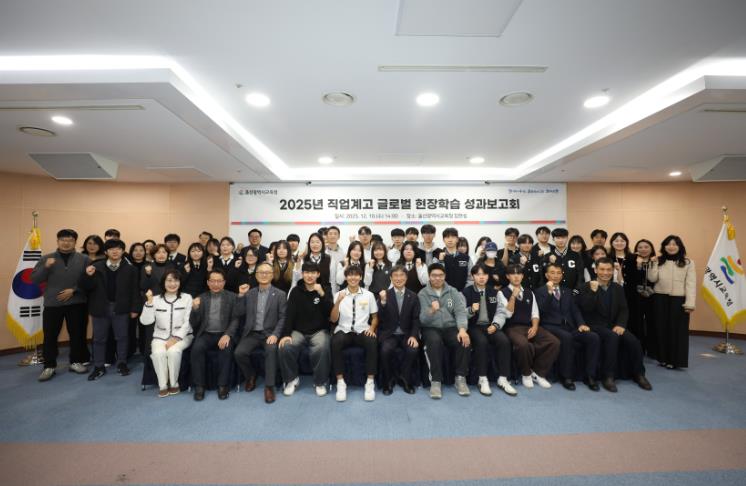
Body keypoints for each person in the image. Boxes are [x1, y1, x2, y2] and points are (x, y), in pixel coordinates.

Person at [578, 258, 652, 392]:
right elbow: (586, 308)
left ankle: (639, 374)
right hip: (594, 325)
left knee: (634, 341)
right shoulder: (585, 287)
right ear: (595, 270)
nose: (605, 273)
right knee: (612, 338)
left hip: (614, 325)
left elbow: (624, 309)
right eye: (602, 269)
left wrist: (621, 324)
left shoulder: (617, 288)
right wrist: (593, 292)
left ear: (613, 271)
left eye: (609, 270)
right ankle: (608, 376)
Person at [33, 229, 90, 381]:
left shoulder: (84, 259)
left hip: (77, 302)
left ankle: (75, 361)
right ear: (57, 241)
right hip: (53, 303)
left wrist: (74, 290)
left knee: (77, 334)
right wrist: (46, 267)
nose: (66, 243)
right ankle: (49, 366)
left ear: (75, 242)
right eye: (63, 240)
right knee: (50, 336)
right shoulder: (47, 258)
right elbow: (35, 279)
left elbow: (89, 280)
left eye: (70, 240)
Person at [79, 239, 140, 381]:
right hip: (100, 307)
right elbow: (85, 287)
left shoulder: (130, 269)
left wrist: (135, 308)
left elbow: (134, 290)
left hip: (121, 307)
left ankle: (122, 363)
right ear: (106, 252)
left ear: (123, 251)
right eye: (111, 249)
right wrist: (87, 275)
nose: (115, 251)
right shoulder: (95, 266)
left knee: (122, 337)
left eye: (118, 248)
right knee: (99, 339)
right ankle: (99, 366)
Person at [535, 263, 601, 391]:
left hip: (569, 326)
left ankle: (590, 376)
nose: (555, 276)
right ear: (546, 275)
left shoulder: (568, 291)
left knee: (593, 337)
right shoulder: (539, 291)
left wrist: (581, 324)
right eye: (552, 273)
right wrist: (549, 293)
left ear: (562, 275)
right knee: (567, 337)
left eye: (558, 273)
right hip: (550, 326)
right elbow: (541, 311)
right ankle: (566, 377)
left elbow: (575, 310)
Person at [494, 264, 559, 390]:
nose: (516, 276)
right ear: (507, 276)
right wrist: (513, 296)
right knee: (523, 344)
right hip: (512, 327)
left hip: (528, 326)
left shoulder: (529, 292)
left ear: (523, 276)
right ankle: (526, 374)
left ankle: (538, 373)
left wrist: (535, 326)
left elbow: (535, 313)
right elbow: (507, 314)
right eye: (513, 274)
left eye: (519, 273)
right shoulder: (502, 292)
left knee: (554, 342)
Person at [233, 262, 287, 404]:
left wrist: (275, 334)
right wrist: (240, 295)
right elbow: (238, 313)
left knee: (271, 350)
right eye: (261, 272)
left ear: (272, 275)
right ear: (256, 275)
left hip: (270, 333)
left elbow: (283, 317)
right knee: (239, 353)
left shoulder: (280, 294)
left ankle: (269, 386)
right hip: (252, 333)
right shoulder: (249, 293)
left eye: (267, 272)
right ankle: (251, 376)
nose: (264, 275)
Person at [279, 262, 333, 397]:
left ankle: (320, 382)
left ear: (318, 274)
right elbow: (289, 314)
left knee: (321, 347)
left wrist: (322, 294)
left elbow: (331, 314)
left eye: (313, 272)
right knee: (285, 346)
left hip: (319, 331)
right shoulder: (295, 291)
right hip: (298, 331)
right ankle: (292, 379)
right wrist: (286, 334)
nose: (310, 275)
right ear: (302, 274)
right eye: (307, 272)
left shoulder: (325, 289)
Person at [461, 264, 516, 397]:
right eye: (478, 274)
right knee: (481, 342)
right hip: (474, 326)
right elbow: (460, 314)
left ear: (488, 276)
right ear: (473, 276)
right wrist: (471, 310)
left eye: (484, 274)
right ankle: (482, 378)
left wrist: (496, 325)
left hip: (491, 326)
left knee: (504, 341)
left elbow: (501, 312)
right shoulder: (465, 292)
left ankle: (503, 378)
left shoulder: (495, 292)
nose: (481, 277)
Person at [418, 263, 471, 399]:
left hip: (450, 327)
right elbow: (422, 320)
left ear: (445, 276)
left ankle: (460, 378)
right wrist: (431, 310)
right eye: (434, 275)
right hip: (431, 327)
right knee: (434, 342)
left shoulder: (452, 291)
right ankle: (436, 381)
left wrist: (462, 330)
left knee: (463, 340)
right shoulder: (423, 293)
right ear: (429, 277)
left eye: (440, 275)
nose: (437, 278)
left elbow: (460, 312)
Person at [140, 270, 193, 397]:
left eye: (176, 280)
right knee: (158, 353)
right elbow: (145, 321)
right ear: (163, 282)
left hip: (183, 337)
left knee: (173, 352)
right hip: (160, 337)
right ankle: (163, 385)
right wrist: (149, 302)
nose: (172, 284)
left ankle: (174, 384)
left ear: (180, 282)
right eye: (169, 280)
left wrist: (175, 338)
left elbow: (188, 322)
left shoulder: (187, 298)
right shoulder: (155, 299)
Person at [189, 268, 241, 401]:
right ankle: (199, 386)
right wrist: (195, 309)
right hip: (206, 334)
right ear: (208, 282)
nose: (216, 284)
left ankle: (223, 385)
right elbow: (194, 323)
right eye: (212, 281)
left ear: (224, 282)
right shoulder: (201, 298)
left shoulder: (232, 297)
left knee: (226, 350)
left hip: (224, 333)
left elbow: (235, 319)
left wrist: (228, 334)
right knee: (196, 349)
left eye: (219, 281)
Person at [330, 265, 379, 402]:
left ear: (360, 277)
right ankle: (340, 382)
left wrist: (372, 329)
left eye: (356, 275)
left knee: (372, 341)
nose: (353, 278)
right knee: (335, 342)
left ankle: (370, 382)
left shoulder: (368, 295)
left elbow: (375, 317)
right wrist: (338, 302)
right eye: (350, 275)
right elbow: (333, 319)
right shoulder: (338, 295)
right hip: (344, 329)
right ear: (346, 277)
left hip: (362, 330)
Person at [647, 235, 696, 369]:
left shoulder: (688, 262)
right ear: (664, 247)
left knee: (677, 331)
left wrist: (690, 303)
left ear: (680, 247)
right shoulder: (658, 260)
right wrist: (652, 264)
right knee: (661, 329)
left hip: (679, 299)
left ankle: (675, 361)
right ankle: (662, 358)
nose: (671, 247)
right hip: (660, 298)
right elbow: (652, 279)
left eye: (674, 244)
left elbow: (691, 284)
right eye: (668, 244)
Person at [376, 265, 421, 395]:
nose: (399, 278)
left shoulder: (413, 296)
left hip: (407, 334)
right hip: (389, 333)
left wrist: (414, 336)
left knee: (412, 350)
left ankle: (405, 378)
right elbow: (380, 318)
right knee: (385, 350)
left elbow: (416, 319)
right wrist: (383, 302)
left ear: (406, 278)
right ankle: (388, 380)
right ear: (391, 278)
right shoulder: (384, 294)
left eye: (402, 275)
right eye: (395, 275)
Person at [626, 239, 658, 358]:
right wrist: (638, 266)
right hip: (635, 297)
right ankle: (638, 348)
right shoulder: (631, 260)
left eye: (646, 247)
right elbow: (630, 279)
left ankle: (652, 350)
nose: (643, 249)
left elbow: (654, 279)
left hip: (652, 296)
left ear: (651, 249)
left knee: (652, 322)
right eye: (640, 247)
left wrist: (652, 264)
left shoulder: (656, 261)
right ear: (636, 249)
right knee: (636, 322)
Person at [541, 228, 584, 293]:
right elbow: (543, 276)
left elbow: (580, 276)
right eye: (558, 238)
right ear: (553, 239)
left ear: (567, 238)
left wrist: (576, 290)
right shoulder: (547, 257)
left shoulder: (576, 256)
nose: (561, 240)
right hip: (554, 293)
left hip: (573, 292)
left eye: (563, 238)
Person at [436, 227, 472, 291]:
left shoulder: (466, 258)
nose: (450, 240)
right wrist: (441, 261)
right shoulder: (437, 257)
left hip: (462, 293)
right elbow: (436, 277)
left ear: (457, 239)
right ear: (443, 240)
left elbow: (471, 278)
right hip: (443, 293)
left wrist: (465, 291)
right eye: (447, 237)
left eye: (453, 237)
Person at [128, 242, 148, 355]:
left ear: (145, 252)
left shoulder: (149, 265)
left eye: (141, 250)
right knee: (130, 326)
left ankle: (144, 350)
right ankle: (130, 350)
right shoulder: (127, 265)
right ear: (131, 252)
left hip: (146, 299)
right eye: (135, 250)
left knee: (144, 326)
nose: (138, 252)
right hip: (130, 299)